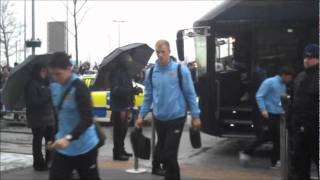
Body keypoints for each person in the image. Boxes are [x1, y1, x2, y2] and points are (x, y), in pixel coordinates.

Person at [136, 40, 201, 180]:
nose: (160, 55)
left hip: (177, 117)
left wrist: (196, 116)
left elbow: (190, 93)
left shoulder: (180, 70)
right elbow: (148, 96)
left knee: (169, 154)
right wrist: (141, 115)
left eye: (163, 52)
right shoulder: (151, 72)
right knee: (166, 155)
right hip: (159, 118)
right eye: (158, 52)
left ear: (169, 52)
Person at [47, 52, 100, 180]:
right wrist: (54, 136)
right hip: (63, 148)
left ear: (69, 69)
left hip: (85, 147)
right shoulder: (54, 87)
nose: (56, 77)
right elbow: (57, 115)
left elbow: (87, 118)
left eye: (58, 73)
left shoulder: (79, 87)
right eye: (53, 74)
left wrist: (68, 138)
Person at [240, 67, 294, 169]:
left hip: (279, 114)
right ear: (284, 75)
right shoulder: (269, 82)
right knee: (268, 137)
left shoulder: (284, 84)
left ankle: (274, 161)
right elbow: (259, 95)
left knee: (276, 138)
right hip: (269, 114)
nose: (290, 80)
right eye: (289, 78)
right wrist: (263, 109)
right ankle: (247, 151)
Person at [290, 44, 319, 180]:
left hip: (315, 131)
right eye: (305, 57)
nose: (307, 60)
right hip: (300, 131)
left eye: (311, 57)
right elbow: (294, 102)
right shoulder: (300, 77)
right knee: (300, 167)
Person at [110, 53, 142, 161]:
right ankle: (117, 153)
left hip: (126, 104)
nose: (130, 62)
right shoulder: (115, 73)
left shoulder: (126, 73)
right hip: (118, 106)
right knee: (119, 130)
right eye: (128, 60)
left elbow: (127, 88)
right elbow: (116, 90)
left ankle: (121, 150)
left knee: (123, 130)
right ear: (122, 61)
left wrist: (134, 91)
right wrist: (132, 91)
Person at [24, 63, 55, 171]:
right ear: (37, 71)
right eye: (42, 71)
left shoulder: (47, 83)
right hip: (37, 118)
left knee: (50, 140)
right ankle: (38, 163)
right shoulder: (32, 84)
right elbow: (33, 102)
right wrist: (46, 97)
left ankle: (49, 161)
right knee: (37, 141)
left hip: (48, 118)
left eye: (45, 71)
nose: (44, 73)